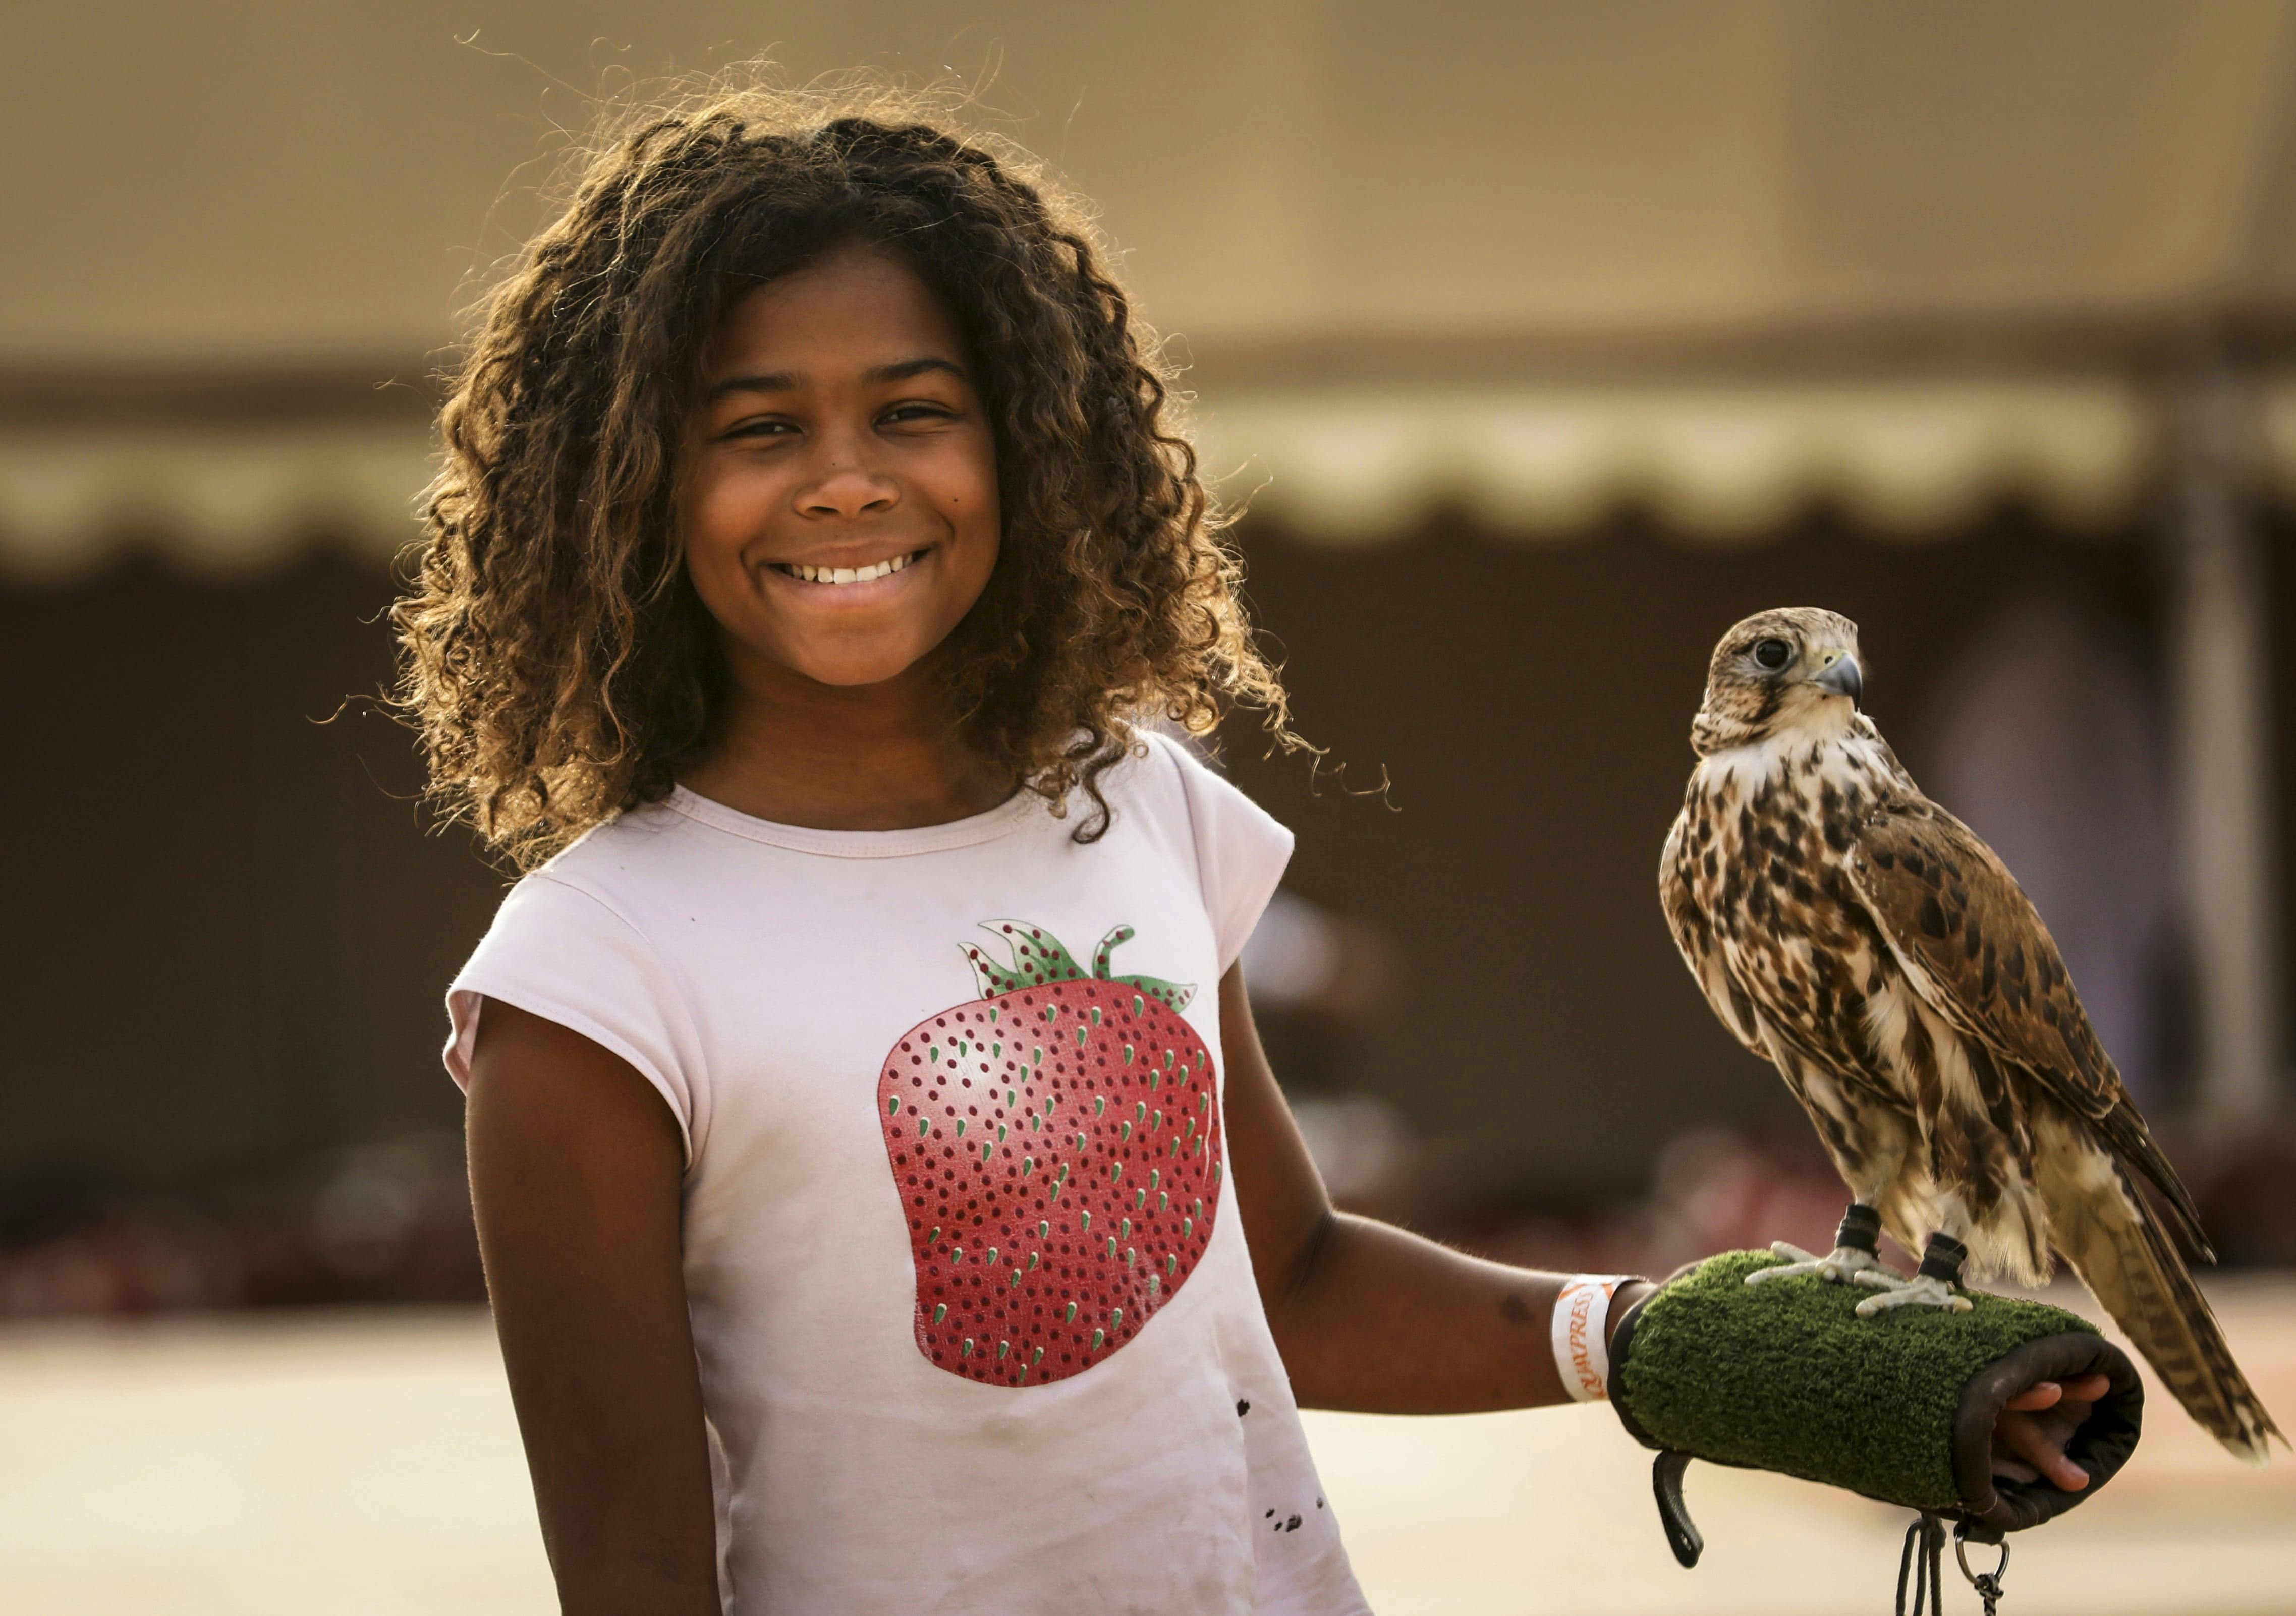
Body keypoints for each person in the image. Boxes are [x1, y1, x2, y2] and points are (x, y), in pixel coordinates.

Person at [396, 84, 2103, 1614]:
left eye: (913, 410)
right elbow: (630, 1565)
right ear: (632, 486)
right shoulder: (591, 972)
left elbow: (1281, 1274)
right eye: (758, 427)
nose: (846, 482)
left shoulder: (1135, 801)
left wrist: (1669, 1343)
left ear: (1026, 445)